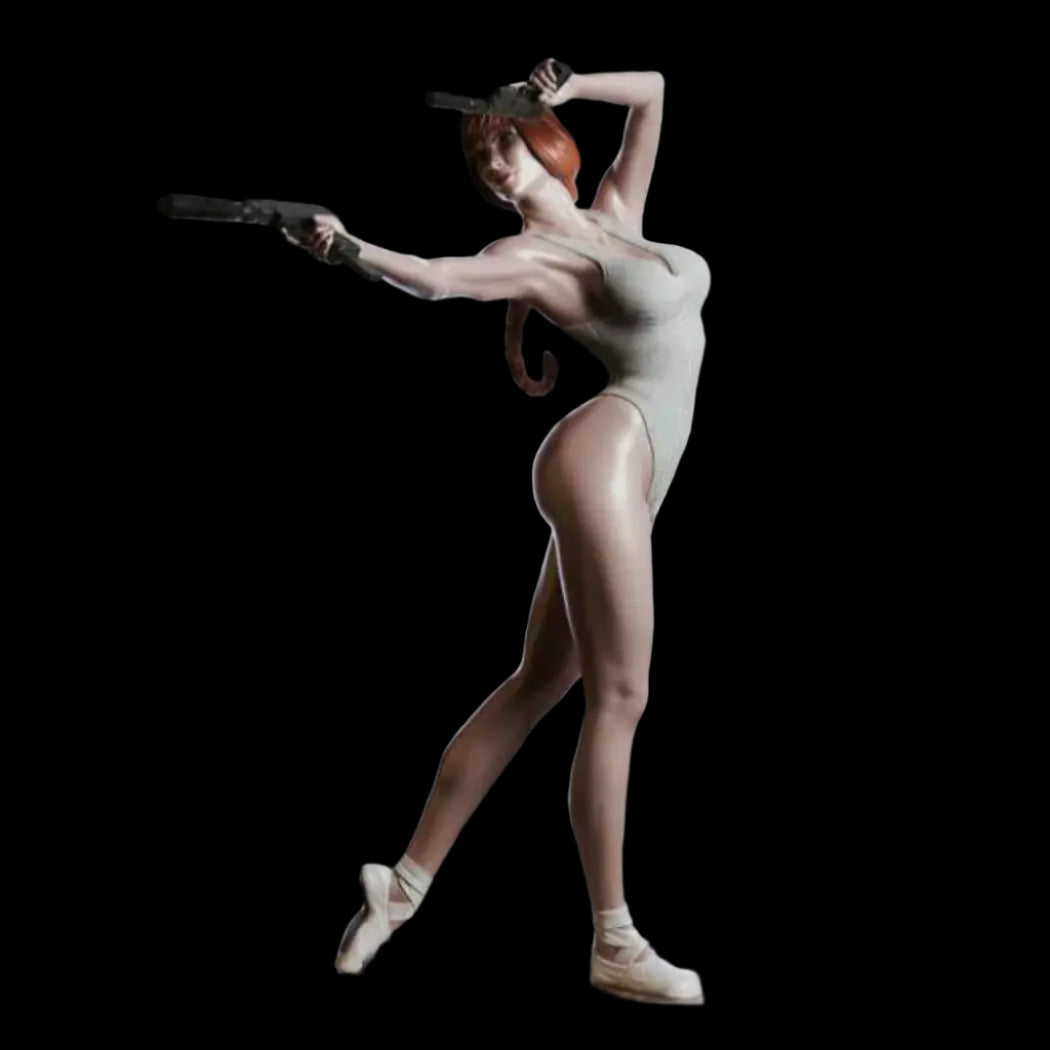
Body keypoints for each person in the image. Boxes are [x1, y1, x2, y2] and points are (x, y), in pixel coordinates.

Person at [285, 59, 711, 1005]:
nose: (496, 165)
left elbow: (654, 91)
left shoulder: (617, 214)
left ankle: (401, 888)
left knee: (538, 682)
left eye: (506, 144)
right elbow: (440, 282)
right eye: (483, 161)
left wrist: (569, 85)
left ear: (545, 138)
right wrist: (351, 248)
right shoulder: (524, 256)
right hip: (607, 452)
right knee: (623, 693)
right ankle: (615, 938)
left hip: (629, 467)